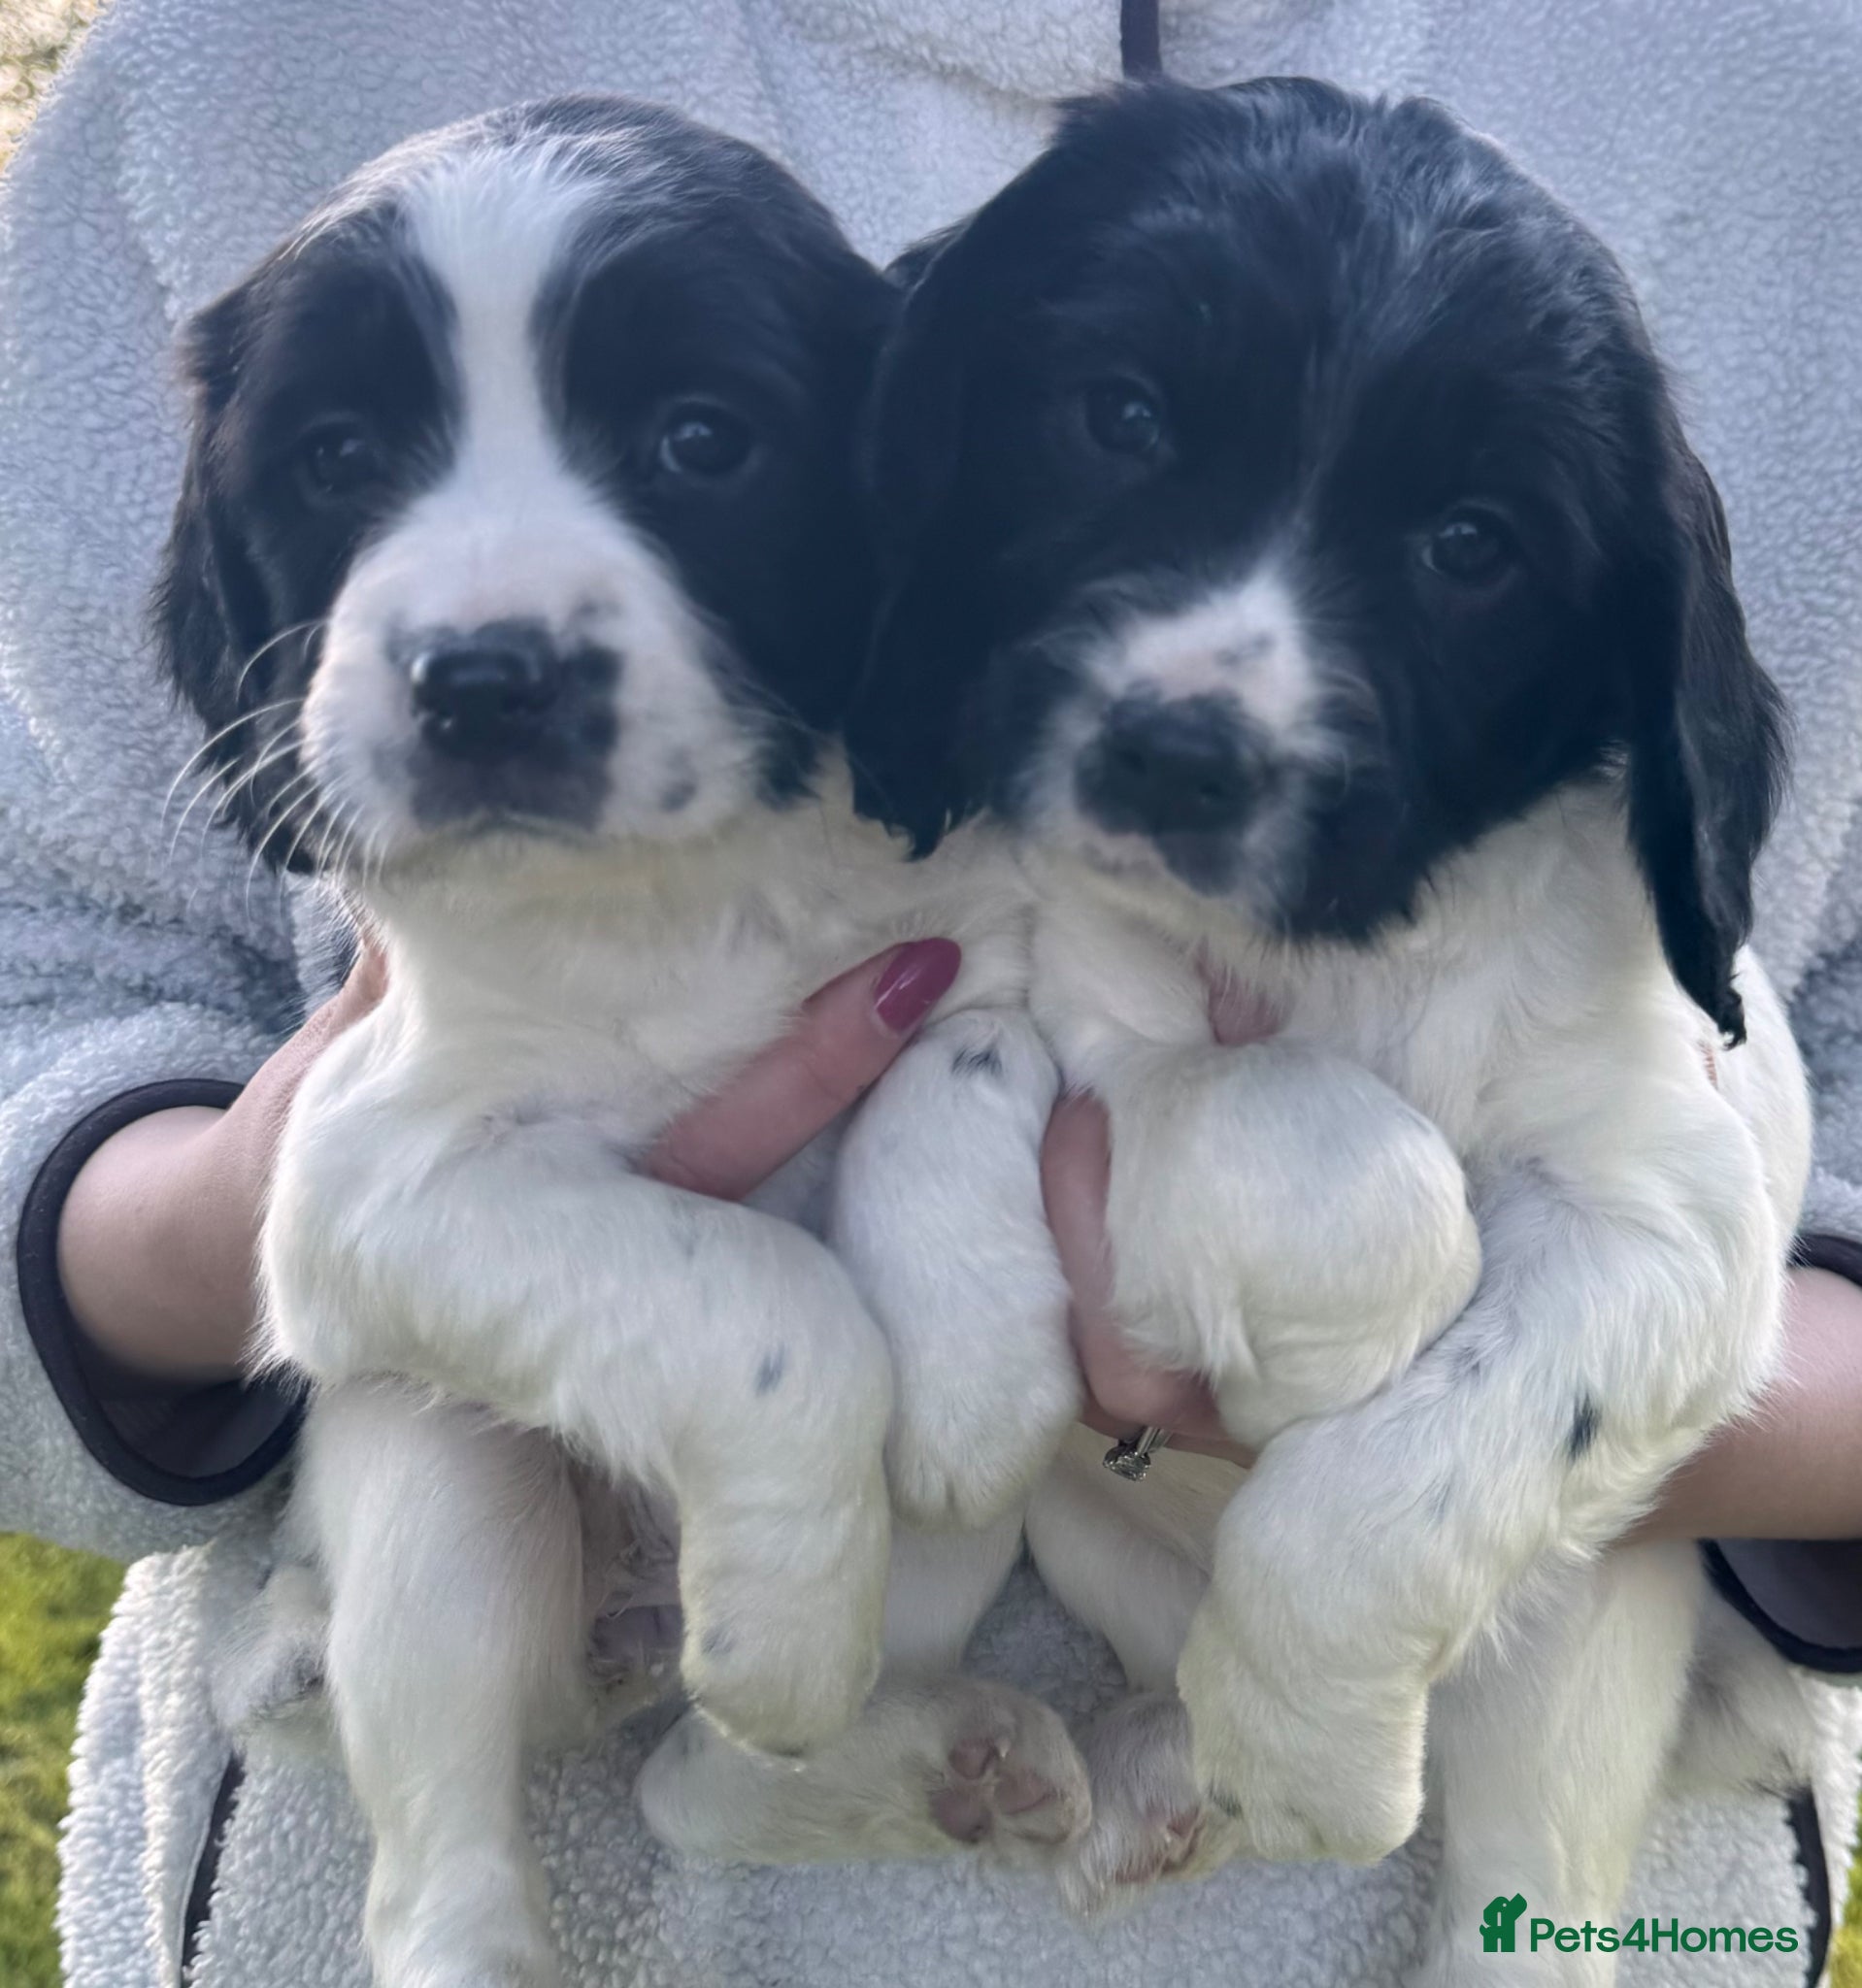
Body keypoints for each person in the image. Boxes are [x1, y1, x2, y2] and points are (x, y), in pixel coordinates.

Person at [4, 2, 1861, 1982]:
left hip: (1555, 1832)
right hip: (464, 1799)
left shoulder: (1796, 99)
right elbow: (50, 970)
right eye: (1123, 428)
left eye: (704, 440)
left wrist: (1415, 1475)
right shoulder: (241, 61)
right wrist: (303, 1217)